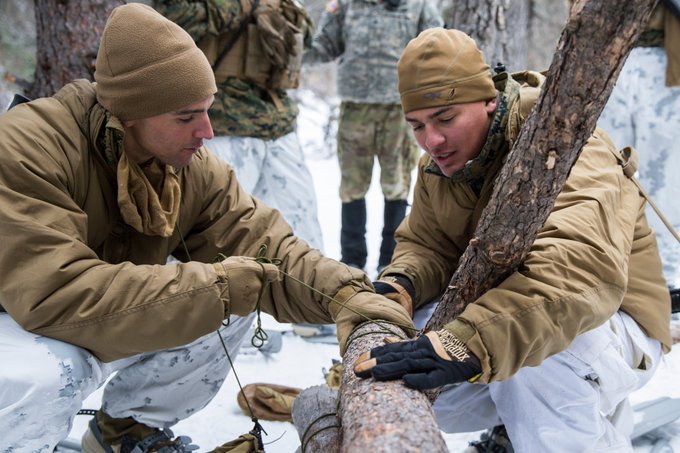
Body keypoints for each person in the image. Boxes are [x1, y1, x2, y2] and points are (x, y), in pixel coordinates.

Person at [0, 4, 413, 452]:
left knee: (232, 298)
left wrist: (347, 296)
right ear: (132, 112)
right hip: (21, 326)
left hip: (98, 317)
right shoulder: (28, 147)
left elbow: (264, 242)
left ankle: (127, 431)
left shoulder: (186, 165)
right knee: (45, 373)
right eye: (186, 117)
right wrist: (217, 286)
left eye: (207, 111)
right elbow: (55, 295)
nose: (208, 131)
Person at [353, 28, 672, 452]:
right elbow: (428, 245)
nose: (432, 141)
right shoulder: (440, 164)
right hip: (516, 315)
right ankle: (525, 425)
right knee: (409, 363)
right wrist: (402, 284)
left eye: (446, 118)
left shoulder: (564, 142)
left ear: (489, 99)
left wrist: (464, 342)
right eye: (417, 126)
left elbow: (578, 275)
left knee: (540, 364)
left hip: (613, 321)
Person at [153, 0, 324, 253]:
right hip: (219, 127)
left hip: (276, 124)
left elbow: (305, 37)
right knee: (215, 238)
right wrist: (241, 6)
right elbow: (166, 24)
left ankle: (309, 290)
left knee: (303, 237)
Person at [302, 0, 443, 274]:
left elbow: (436, 45)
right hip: (356, 109)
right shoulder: (345, 5)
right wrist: (292, 43)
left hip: (399, 109)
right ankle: (352, 258)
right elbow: (323, 48)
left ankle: (390, 259)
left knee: (397, 184)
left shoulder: (417, 5)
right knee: (352, 185)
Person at [596, 2, 680, 289]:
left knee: (666, 184)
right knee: (609, 176)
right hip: (605, 57)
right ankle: (618, 281)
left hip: (669, 58)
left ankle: (670, 286)